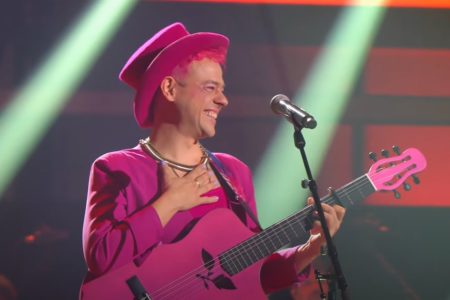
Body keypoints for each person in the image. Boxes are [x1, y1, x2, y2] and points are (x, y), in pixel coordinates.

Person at [81, 22, 345, 298]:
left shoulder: (232, 172)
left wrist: (310, 249)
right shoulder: (117, 167)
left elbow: (255, 276)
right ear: (170, 89)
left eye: (221, 89)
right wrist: (171, 202)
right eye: (210, 88)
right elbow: (101, 257)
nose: (223, 100)